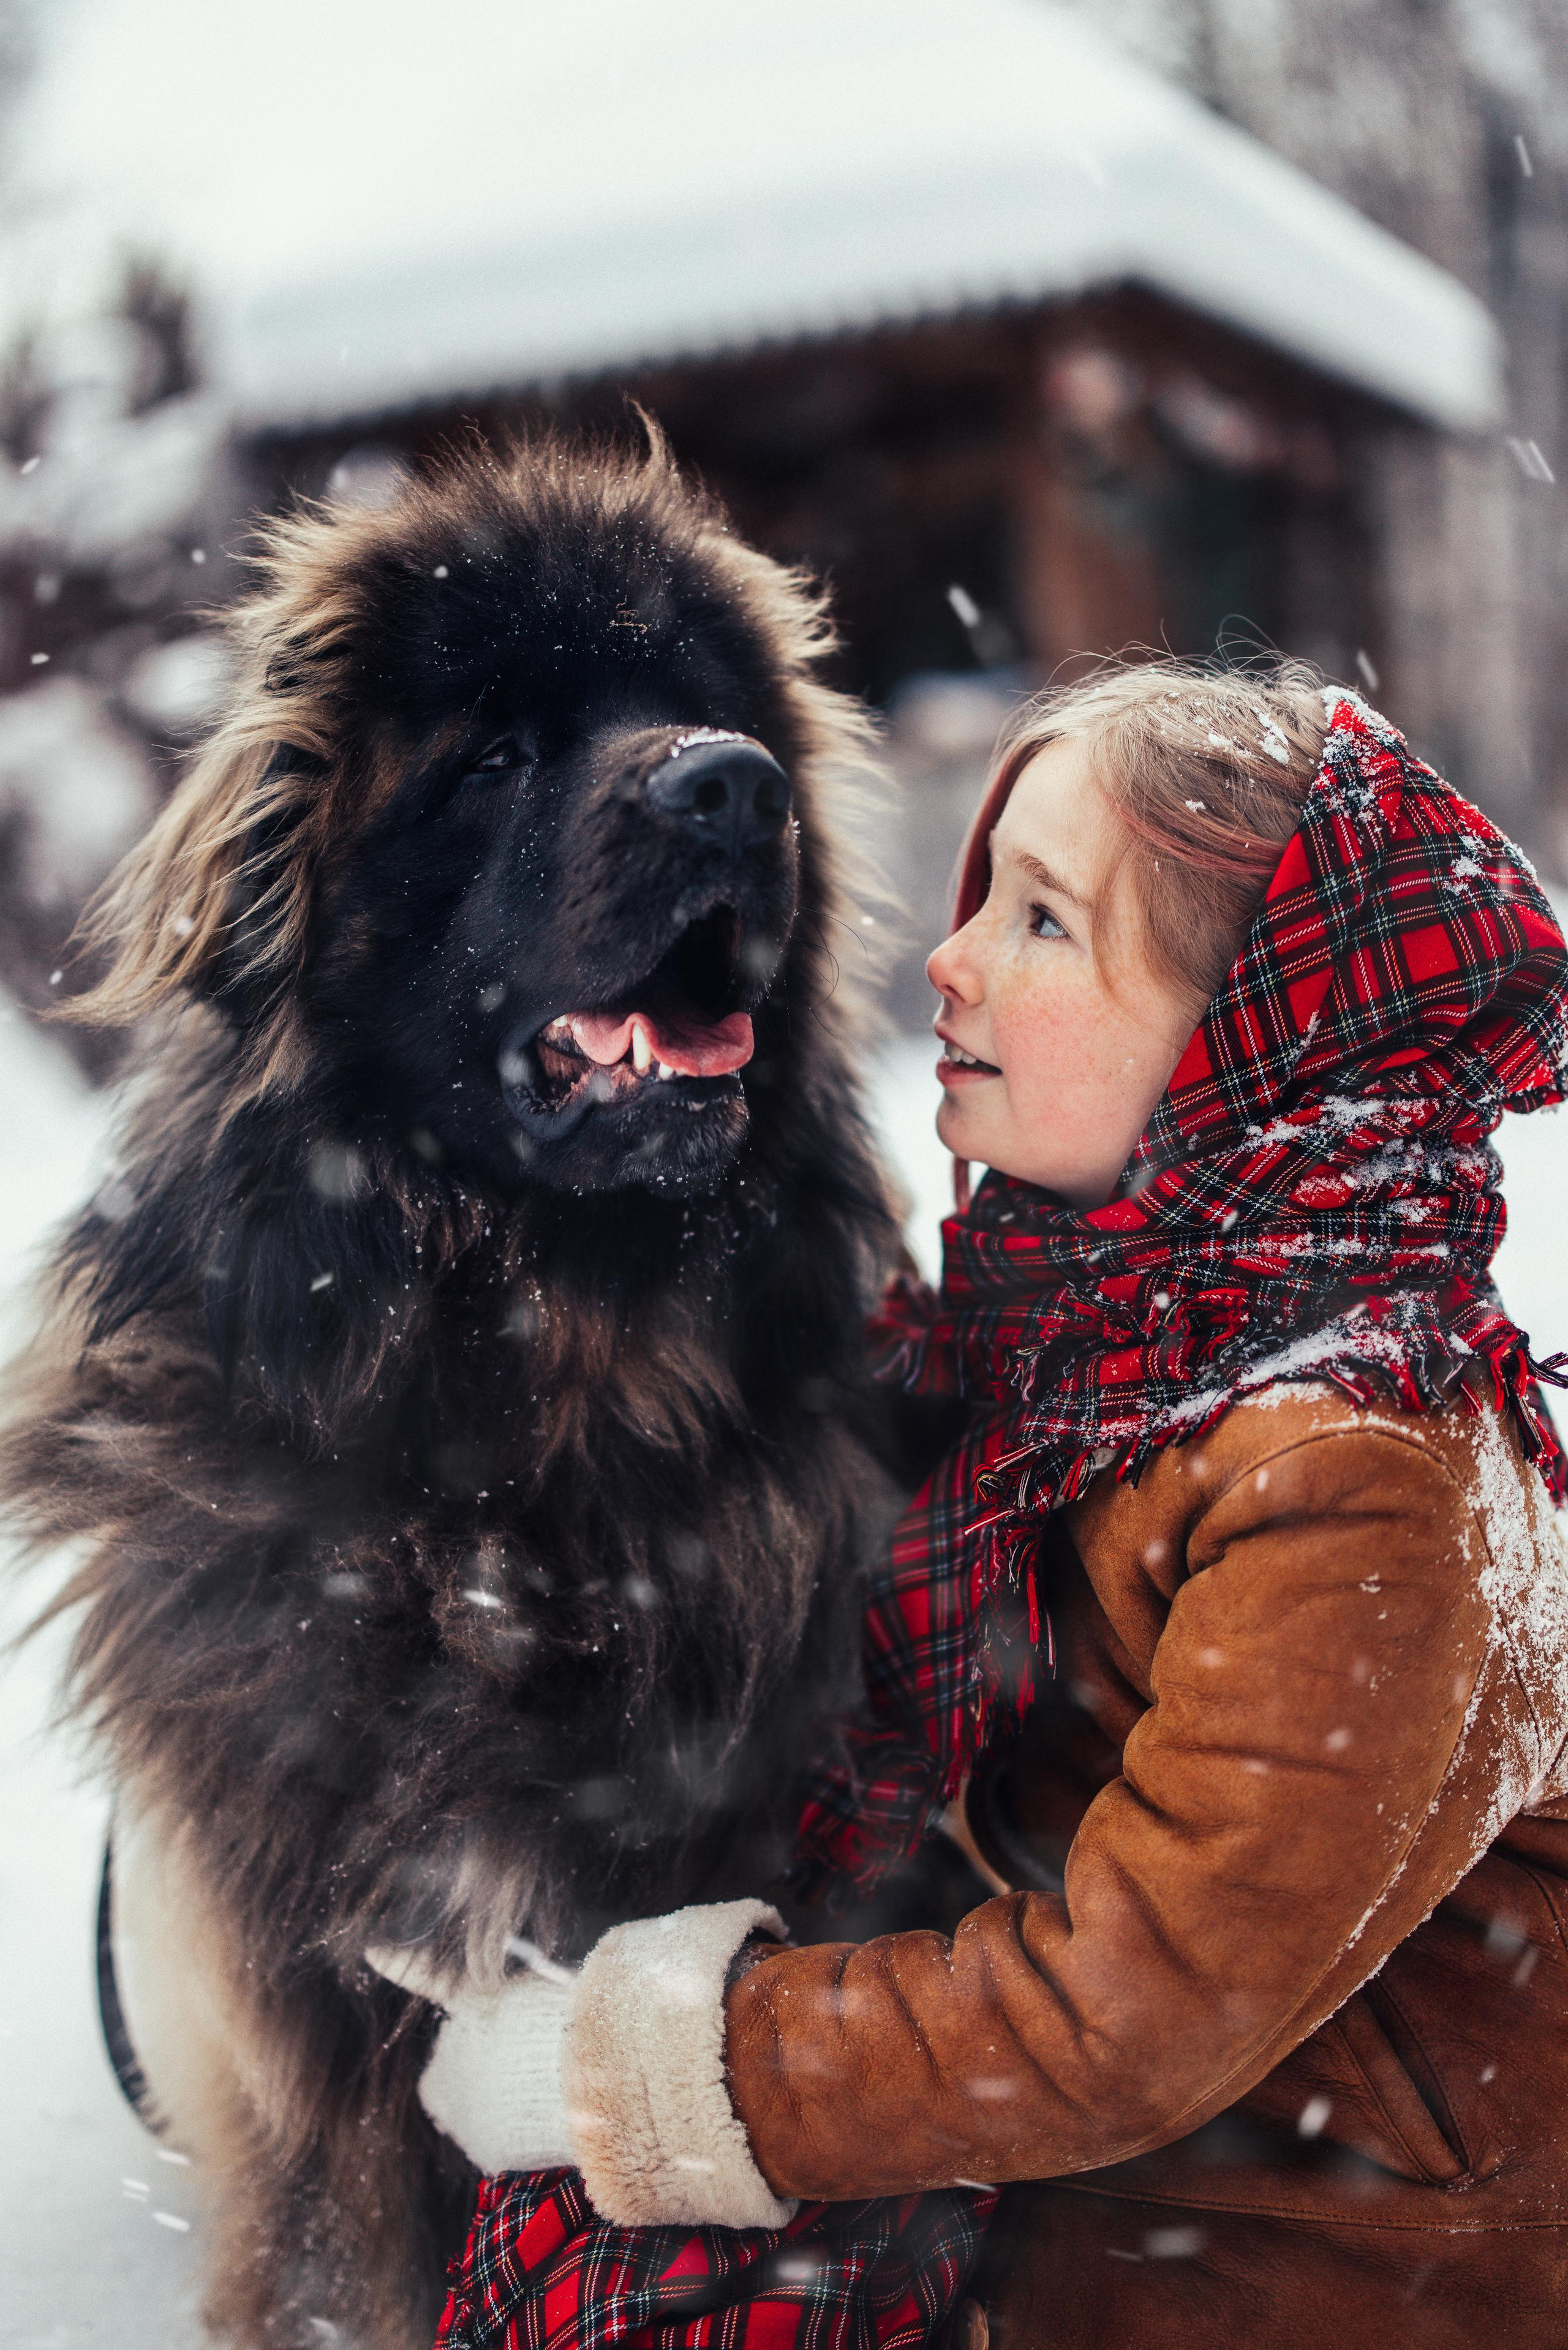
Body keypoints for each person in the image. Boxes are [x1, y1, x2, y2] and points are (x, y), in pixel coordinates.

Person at [394, 663, 1568, 2350]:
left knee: (637, 2253)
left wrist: (641, 2068)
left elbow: (1126, 2015)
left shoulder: (1359, 1486)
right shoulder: (1086, 1330)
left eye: (1040, 923)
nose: (943, 961)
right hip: (1098, 2166)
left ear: (1256, 1037)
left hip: (1319, 2265)